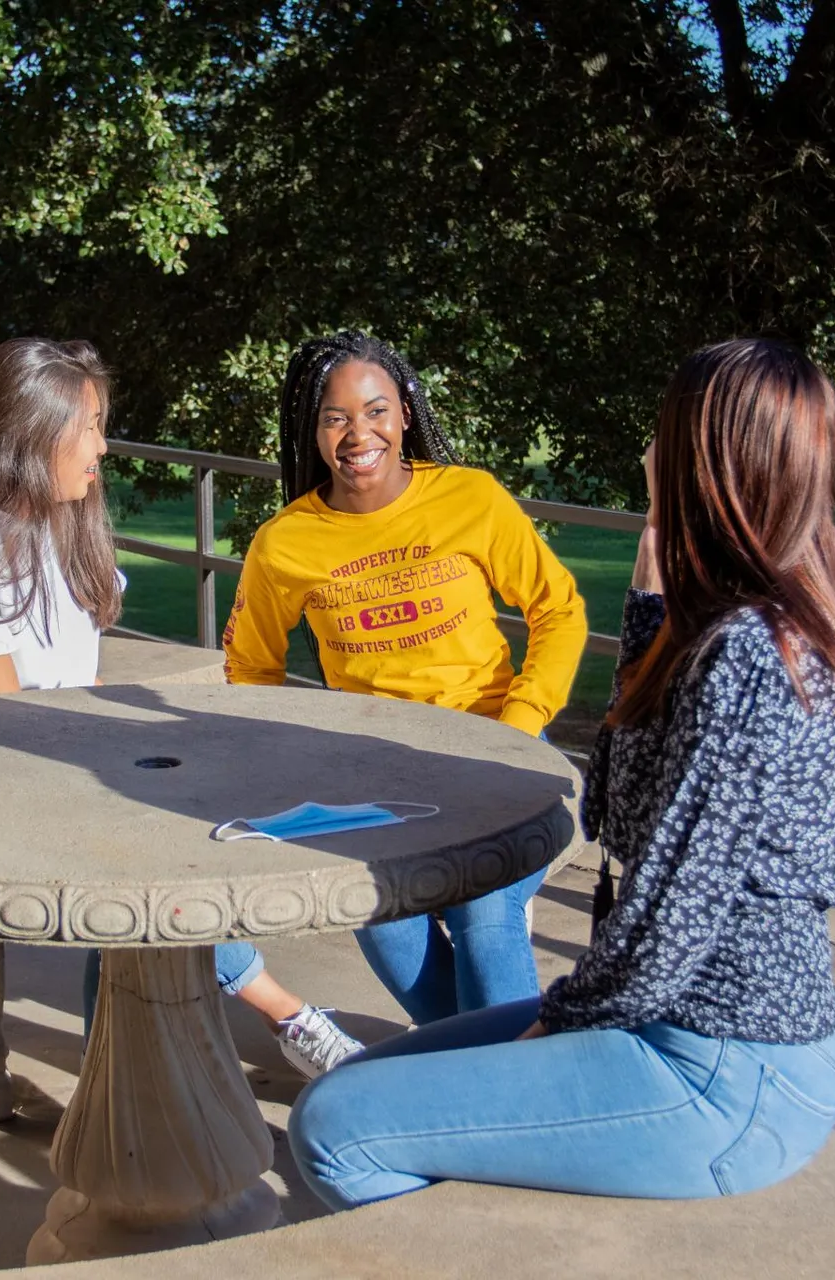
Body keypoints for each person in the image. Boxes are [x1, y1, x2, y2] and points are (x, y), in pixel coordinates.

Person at [285, 337, 835, 1210]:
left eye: (662, 436)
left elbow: (670, 917)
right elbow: (619, 808)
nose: (646, 454)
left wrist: (552, 1026)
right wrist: (649, 613)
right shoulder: (725, 626)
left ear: (705, 465)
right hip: (668, 1020)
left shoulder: (757, 658)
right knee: (362, 1082)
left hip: (720, 1062)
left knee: (334, 1125)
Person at [0, 336, 348, 1077]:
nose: (103, 445)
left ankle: (133, 1056)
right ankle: (283, 1019)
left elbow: (64, 704)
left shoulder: (55, 527)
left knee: (187, 834)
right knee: (156, 866)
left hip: (32, 765)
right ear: (30, 434)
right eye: (89, 426)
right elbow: (9, 718)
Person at [224, 331, 589, 1030]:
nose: (359, 434)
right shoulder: (284, 543)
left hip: (493, 751)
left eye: (377, 410)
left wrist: (518, 725)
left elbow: (560, 610)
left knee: (483, 912)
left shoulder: (470, 499)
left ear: (406, 414)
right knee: (379, 917)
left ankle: (501, 1085)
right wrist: (291, 758)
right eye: (336, 417)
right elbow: (251, 668)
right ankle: (489, 1072)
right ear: (313, 429)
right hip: (375, 774)